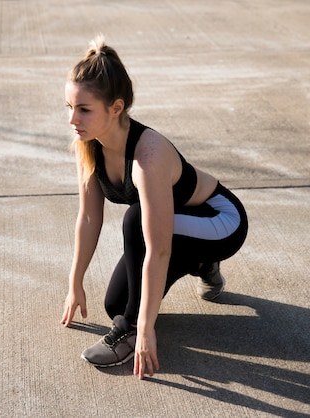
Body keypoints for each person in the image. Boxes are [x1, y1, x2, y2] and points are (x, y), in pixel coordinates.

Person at [60, 36, 248, 380]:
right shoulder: (88, 145)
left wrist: (144, 328)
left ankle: (131, 331)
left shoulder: (148, 155)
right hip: (178, 224)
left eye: (84, 109)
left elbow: (157, 249)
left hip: (220, 220)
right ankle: (200, 263)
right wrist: (75, 282)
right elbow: (88, 217)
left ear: (115, 108)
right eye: (69, 107)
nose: (73, 118)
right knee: (116, 304)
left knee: (135, 225)